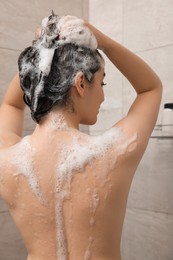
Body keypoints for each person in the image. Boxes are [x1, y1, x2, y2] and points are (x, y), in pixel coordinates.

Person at [0, 12, 162, 260]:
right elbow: (150, 88)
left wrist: (42, 51)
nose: (103, 96)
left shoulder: (7, 162)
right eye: (102, 83)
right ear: (81, 83)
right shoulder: (112, 154)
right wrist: (101, 40)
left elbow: (11, 105)